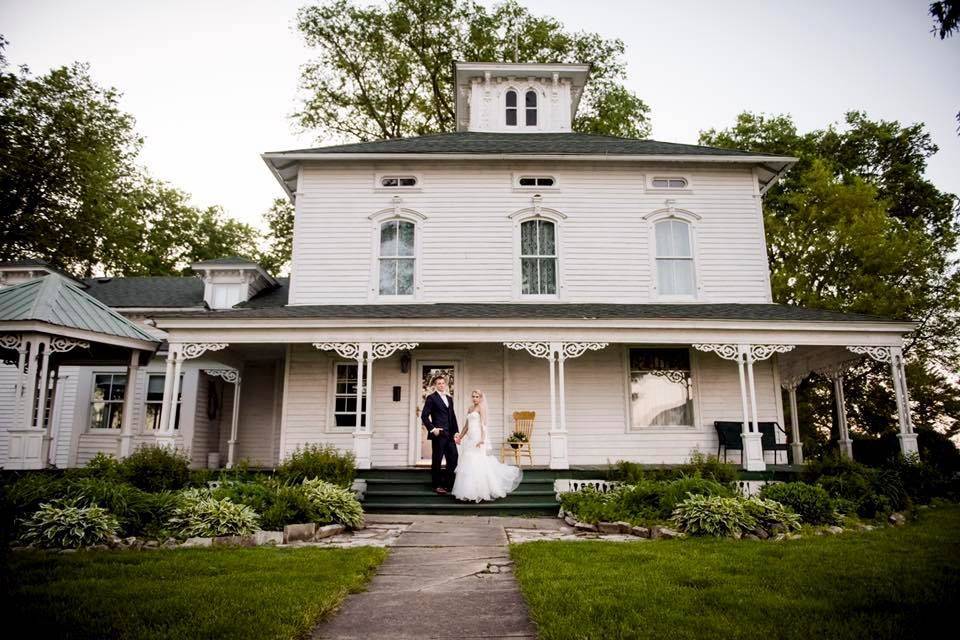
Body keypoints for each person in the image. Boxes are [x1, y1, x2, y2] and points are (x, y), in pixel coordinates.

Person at [451, 389, 523, 502]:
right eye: (473, 396)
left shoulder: (481, 408)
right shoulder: (470, 408)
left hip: (478, 437)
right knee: (468, 461)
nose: (475, 398)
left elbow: (483, 424)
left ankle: (480, 490)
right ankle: (468, 491)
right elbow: (466, 426)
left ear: (480, 398)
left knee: (478, 461)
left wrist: (482, 439)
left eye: (477, 396)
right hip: (470, 438)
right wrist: (460, 436)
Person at [420, 374, 458, 494]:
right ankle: (437, 485)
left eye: (443, 383)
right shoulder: (431, 398)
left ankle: (448, 484)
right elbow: (424, 416)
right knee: (437, 459)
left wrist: (456, 432)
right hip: (439, 434)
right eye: (439, 383)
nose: (441, 385)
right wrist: (432, 429)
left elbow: (452, 417)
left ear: (445, 384)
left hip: (450, 434)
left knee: (453, 458)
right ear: (435, 385)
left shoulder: (449, 399)